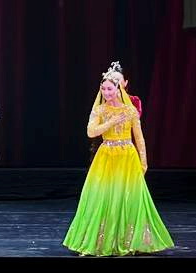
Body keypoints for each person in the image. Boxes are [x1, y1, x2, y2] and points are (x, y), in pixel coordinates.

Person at [62, 61, 173, 255]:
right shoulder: (99, 110)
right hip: (106, 156)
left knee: (128, 198)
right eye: (103, 89)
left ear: (118, 89)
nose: (106, 92)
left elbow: (139, 138)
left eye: (110, 89)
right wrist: (110, 122)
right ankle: (98, 242)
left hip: (127, 157)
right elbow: (90, 132)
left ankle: (130, 241)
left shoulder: (130, 111)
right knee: (101, 197)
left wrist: (144, 162)